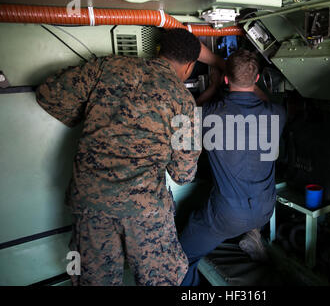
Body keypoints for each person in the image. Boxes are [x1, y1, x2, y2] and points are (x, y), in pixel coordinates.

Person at [35, 28, 224, 286]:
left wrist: (85, 118)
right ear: (190, 67)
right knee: (161, 281)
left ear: (159, 51)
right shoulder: (182, 100)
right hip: (144, 210)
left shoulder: (108, 66)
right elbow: (183, 175)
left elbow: (48, 94)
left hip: (91, 203)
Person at [179, 49, 286, 286]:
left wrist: (212, 87)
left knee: (182, 256)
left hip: (228, 215)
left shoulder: (211, 115)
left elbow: (188, 117)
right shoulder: (276, 114)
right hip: (266, 208)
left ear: (226, 79)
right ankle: (252, 233)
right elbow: (264, 100)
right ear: (258, 79)